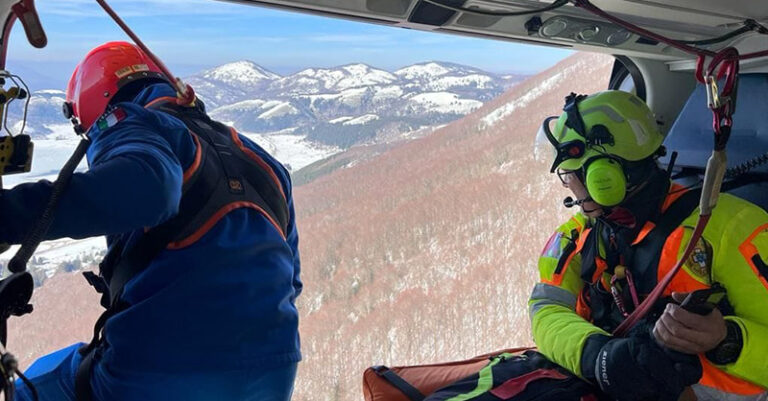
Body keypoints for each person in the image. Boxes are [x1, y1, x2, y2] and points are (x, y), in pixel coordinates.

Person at [0, 41, 301, 401]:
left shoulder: (134, 123)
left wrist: (8, 215)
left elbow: (149, 189)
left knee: (33, 387)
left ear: (97, 104)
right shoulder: (261, 159)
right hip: (274, 372)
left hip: (162, 369)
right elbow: (291, 279)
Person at [530, 90, 768, 401]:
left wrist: (728, 339)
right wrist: (597, 355)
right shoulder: (581, 233)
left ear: (603, 177)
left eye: (570, 175)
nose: (568, 186)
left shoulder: (735, 230)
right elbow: (546, 308)